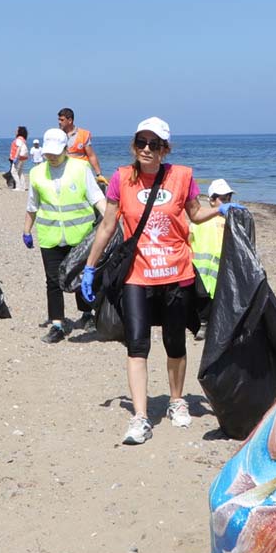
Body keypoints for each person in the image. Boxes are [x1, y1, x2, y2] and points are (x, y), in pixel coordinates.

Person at [80, 117, 241, 445]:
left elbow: (194, 214)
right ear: (134, 145)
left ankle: (176, 400)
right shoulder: (121, 179)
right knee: (137, 344)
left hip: (176, 273)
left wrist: (221, 210)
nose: (147, 149)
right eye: (142, 142)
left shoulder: (182, 176)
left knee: (175, 344)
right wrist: (90, 266)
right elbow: (108, 225)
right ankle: (140, 417)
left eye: (155, 144)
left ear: (166, 149)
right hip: (137, 276)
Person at [23, 128, 106, 343]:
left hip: (80, 236)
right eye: (48, 153)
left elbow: (97, 198)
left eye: (55, 153)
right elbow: (33, 205)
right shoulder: (37, 173)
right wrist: (26, 230)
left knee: (81, 276)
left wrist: (111, 220)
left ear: (66, 150)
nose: (51, 157)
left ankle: (87, 314)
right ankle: (57, 324)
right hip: (50, 236)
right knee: (52, 281)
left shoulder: (81, 168)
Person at [189, 179, 234, 341]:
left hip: (224, 265)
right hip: (202, 267)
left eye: (228, 198)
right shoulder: (200, 219)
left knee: (223, 296)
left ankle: (222, 326)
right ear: (212, 200)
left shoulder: (231, 218)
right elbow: (190, 238)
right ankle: (203, 324)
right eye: (222, 198)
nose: (226, 202)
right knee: (202, 296)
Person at [58, 107, 105, 189]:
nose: (59, 122)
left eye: (62, 120)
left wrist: (99, 174)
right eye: (59, 120)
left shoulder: (83, 134)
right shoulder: (56, 135)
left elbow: (91, 155)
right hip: (63, 173)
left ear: (70, 120)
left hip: (81, 173)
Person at [8, 125, 29, 191]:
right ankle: (23, 186)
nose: (15, 131)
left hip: (19, 157)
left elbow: (19, 148)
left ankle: (18, 186)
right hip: (24, 157)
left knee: (13, 171)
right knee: (20, 172)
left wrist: (15, 157)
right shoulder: (23, 139)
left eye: (16, 130)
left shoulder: (18, 139)